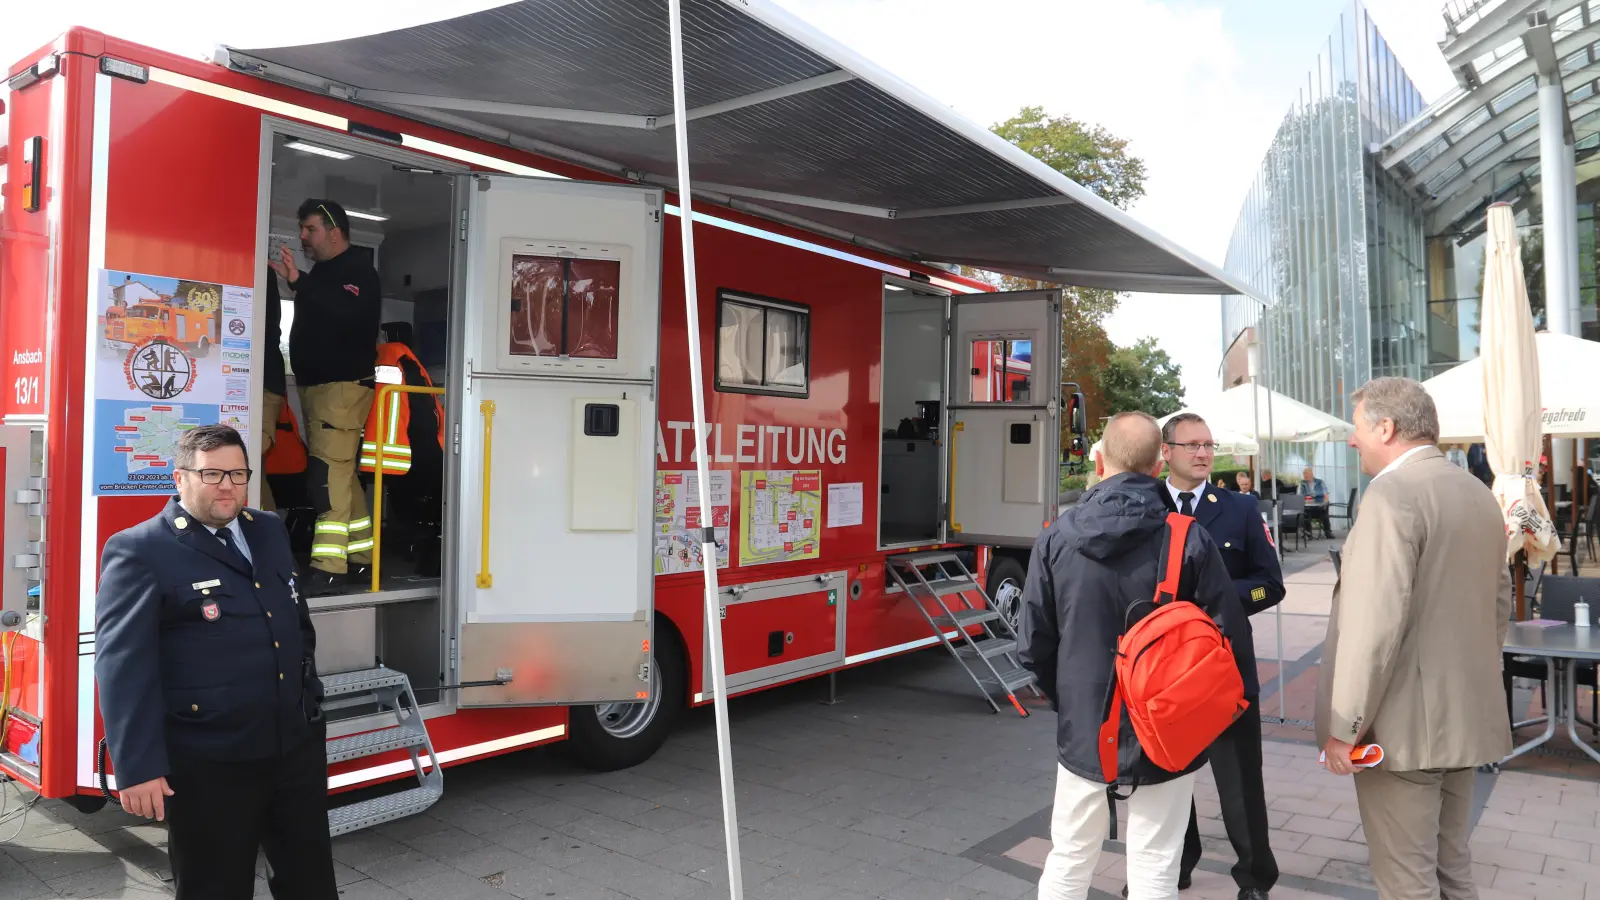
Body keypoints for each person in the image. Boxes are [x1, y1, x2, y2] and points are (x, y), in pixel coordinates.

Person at [93, 424, 334, 900]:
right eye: (213, 474)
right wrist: (138, 766)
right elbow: (123, 665)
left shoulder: (266, 530)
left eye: (238, 473)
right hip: (210, 764)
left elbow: (294, 623)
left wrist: (311, 701)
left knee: (310, 882)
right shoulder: (141, 550)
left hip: (292, 748)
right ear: (180, 478)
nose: (228, 485)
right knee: (215, 888)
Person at [1019, 411, 1243, 900]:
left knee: (1070, 858)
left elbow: (1033, 642)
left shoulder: (1056, 537)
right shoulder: (1188, 538)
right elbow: (1227, 636)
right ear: (1158, 464)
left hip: (1083, 727)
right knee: (1155, 868)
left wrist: (1071, 698)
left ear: (1098, 461)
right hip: (1168, 728)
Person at [1316, 377, 1512, 900]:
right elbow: (1498, 607)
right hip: (1465, 718)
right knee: (1453, 871)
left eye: (1357, 428)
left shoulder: (1391, 496)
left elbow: (1372, 627)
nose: (1352, 440)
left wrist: (1344, 727)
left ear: (1386, 426)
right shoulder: (1477, 491)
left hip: (1401, 734)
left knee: (1407, 881)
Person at [1142, 413, 1281, 900]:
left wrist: (1210, 606)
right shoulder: (1146, 505)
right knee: (1167, 774)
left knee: (1240, 779)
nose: (1203, 454)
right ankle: (1176, 866)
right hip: (1163, 673)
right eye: (1191, 445)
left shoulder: (1240, 509)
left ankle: (1255, 879)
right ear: (1166, 451)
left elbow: (1271, 586)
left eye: (1208, 445)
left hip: (1225, 669)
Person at [269, 199, 382, 592]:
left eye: (310, 229)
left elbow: (346, 314)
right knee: (341, 472)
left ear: (334, 232)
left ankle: (329, 566)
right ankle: (362, 557)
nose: (303, 236)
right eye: (301, 229)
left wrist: (300, 283)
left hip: (341, 387)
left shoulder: (357, 271)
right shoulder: (325, 272)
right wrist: (301, 282)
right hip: (320, 387)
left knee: (326, 474)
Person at [259, 267, 288, 512]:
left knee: (246, 469)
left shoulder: (258, 270)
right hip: (264, 382)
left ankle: (265, 544)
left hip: (263, 384)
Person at [1299, 467, 1333, 539]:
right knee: (1304, 513)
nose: (1305, 475)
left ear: (1312, 474)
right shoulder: (1302, 483)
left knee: (1324, 511)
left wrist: (1325, 503)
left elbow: (1326, 494)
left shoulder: (1320, 482)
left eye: (1306, 473)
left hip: (1319, 507)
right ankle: (1308, 533)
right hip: (1307, 507)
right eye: (1304, 474)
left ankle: (1328, 532)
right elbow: (1300, 495)